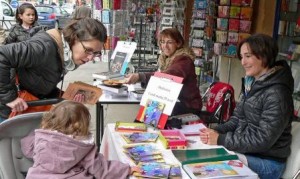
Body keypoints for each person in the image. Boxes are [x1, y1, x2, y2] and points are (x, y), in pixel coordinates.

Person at [199, 34, 294, 179]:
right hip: (248, 152)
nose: (243, 62)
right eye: (242, 57)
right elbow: (236, 119)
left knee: (208, 166)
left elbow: (262, 140)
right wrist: (214, 131)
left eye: (248, 56)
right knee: (201, 157)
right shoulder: (251, 84)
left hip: (268, 163)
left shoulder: (278, 93)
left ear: (264, 55)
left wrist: (221, 139)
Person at [0, 17, 107, 122]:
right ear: (74, 38)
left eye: (96, 53)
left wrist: (64, 96)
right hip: (8, 112)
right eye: (88, 50)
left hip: (25, 109)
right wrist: (9, 98)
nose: (90, 58)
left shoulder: (62, 52)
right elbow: (2, 55)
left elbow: (40, 78)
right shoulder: (43, 47)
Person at [21, 100, 139, 178]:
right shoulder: (81, 146)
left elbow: (27, 148)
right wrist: (127, 169)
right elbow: (101, 168)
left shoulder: (41, 138)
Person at [125, 28, 202, 117]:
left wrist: (140, 76)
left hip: (188, 106)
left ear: (178, 43)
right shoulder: (167, 59)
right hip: (174, 101)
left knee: (149, 115)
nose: (165, 45)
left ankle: (141, 129)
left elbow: (170, 75)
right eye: (162, 42)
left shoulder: (184, 60)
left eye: (169, 42)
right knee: (147, 114)